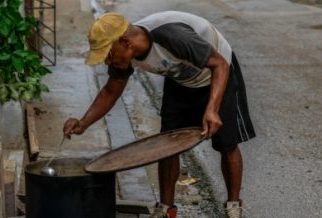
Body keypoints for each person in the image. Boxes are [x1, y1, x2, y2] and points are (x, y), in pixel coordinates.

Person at [63, 11, 256, 218]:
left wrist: (212, 109)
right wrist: (84, 123)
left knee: (227, 143)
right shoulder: (125, 56)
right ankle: (166, 208)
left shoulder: (171, 36)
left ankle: (233, 204)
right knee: (167, 143)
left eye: (108, 54)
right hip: (180, 79)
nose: (107, 62)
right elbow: (111, 92)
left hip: (218, 73)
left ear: (125, 41)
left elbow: (220, 65)